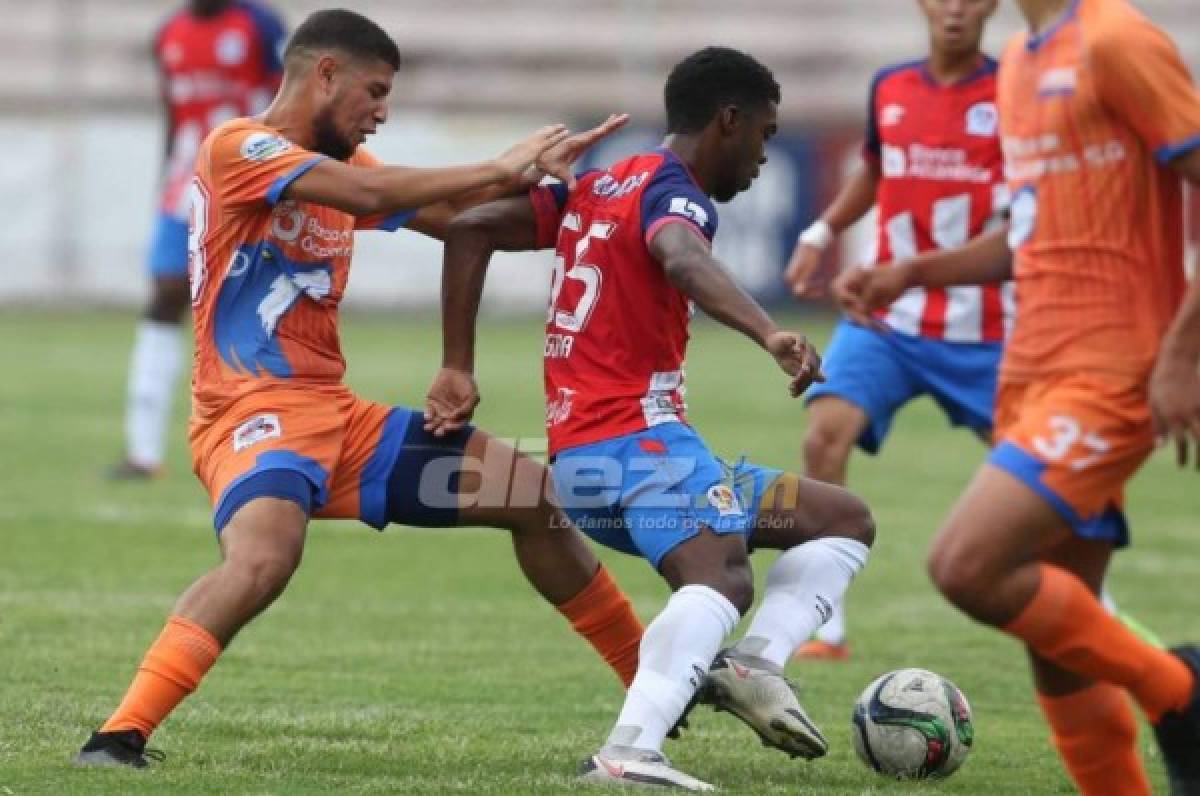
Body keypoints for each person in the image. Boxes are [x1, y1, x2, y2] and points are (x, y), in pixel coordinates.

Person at [76, 9, 645, 769]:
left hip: (341, 423)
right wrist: (499, 164)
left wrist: (595, 202)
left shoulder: (347, 170)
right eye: (374, 92)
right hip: (250, 413)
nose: (382, 111)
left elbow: (461, 219)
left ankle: (657, 689)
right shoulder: (237, 147)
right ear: (326, 74)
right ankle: (117, 737)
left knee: (532, 497)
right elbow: (369, 196)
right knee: (266, 558)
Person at [428, 46, 876, 791]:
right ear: (727, 121)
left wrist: (457, 363)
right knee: (721, 575)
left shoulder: (601, 183)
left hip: (592, 465)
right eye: (764, 134)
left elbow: (471, 226)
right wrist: (770, 332)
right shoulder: (676, 193)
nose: (765, 156)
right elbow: (680, 257)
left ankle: (753, 663)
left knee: (838, 517)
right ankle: (629, 751)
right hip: (643, 452)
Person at [840, 1, 1200, 793]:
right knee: (1061, 651)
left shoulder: (1118, 40)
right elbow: (1032, 235)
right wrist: (911, 272)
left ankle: (1180, 693)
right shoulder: (1023, 66)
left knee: (966, 565)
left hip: (1111, 372)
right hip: (1029, 373)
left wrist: (1181, 351)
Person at [782, 0, 1007, 661]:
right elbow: (877, 171)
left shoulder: (1012, 94)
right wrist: (821, 231)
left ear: (993, 7)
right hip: (888, 320)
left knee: (1043, 477)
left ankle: (1089, 616)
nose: (956, 10)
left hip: (986, 326)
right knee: (824, 436)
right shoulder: (892, 85)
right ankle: (826, 627)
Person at [113, 0, 288, 479]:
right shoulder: (169, 32)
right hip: (184, 184)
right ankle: (142, 452)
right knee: (165, 294)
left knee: (248, 307)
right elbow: (173, 113)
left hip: (248, 183)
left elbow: (287, 105)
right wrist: (162, 182)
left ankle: (268, 441)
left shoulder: (259, 24)